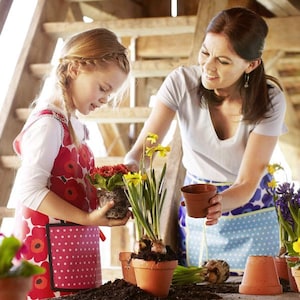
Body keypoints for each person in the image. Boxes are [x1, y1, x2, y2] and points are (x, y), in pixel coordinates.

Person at [124, 7, 287, 274]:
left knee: (260, 289)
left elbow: (247, 181)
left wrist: (220, 202)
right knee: (202, 286)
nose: (208, 67)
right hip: (198, 204)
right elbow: (143, 149)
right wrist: (128, 169)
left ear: (251, 64)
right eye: (205, 52)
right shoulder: (181, 83)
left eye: (223, 61)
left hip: (252, 206)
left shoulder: (270, 99)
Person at [9, 28, 131, 299]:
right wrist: (87, 219)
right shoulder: (49, 124)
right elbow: (28, 192)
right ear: (76, 69)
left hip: (71, 251)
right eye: (103, 88)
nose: (105, 99)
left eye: (110, 94)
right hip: (46, 260)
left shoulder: (75, 124)